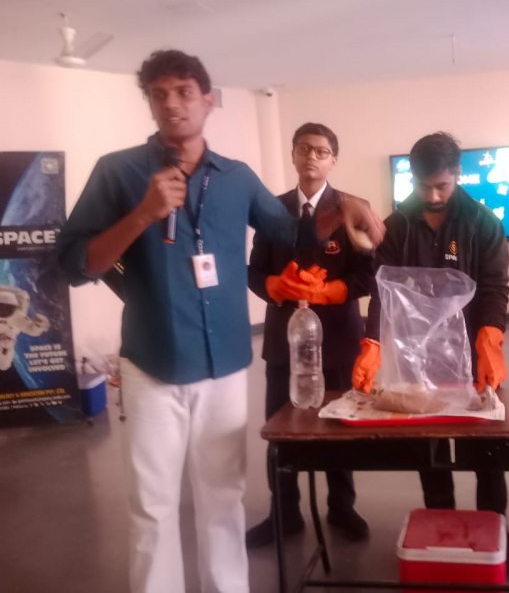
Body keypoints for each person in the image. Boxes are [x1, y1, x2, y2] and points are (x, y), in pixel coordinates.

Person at [57, 50, 384, 593]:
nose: (172, 103)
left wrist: (346, 203)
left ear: (208, 101)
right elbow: (75, 264)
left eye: (184, 92)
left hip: (227, 363)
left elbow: (294, 233)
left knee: (223, 498)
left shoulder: (236, 178)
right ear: (149, 103)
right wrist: (142, 215)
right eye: (159, 94)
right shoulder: (118, 172)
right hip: (153, 364)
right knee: (153, 506)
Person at [353, 132, 509, 572]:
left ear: (458, 175)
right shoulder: (396, 226)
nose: (432, 196)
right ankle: (441, 520)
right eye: (423, 186)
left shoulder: (482, 222)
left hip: (472, 352)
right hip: (416, 354)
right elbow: (382, 291)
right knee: (428, 448)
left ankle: (496, 527)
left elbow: (494, 287)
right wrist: (373, 343)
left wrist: (490, 341)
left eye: (442, 186)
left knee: (487, 448)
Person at [246, 123, 372, 547]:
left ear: (334, 160)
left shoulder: (352, 208)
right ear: (293, 155)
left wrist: (333, 290)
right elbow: (255, 271)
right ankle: (284, 513)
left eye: (321, 151)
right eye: (304, 149)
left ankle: (342, 506)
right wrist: (273, 287)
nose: (312, 157)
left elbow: (370, 273)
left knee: (339, 426)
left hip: (337, 337)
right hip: (284, 338)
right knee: (280, 428)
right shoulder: (273, 209)